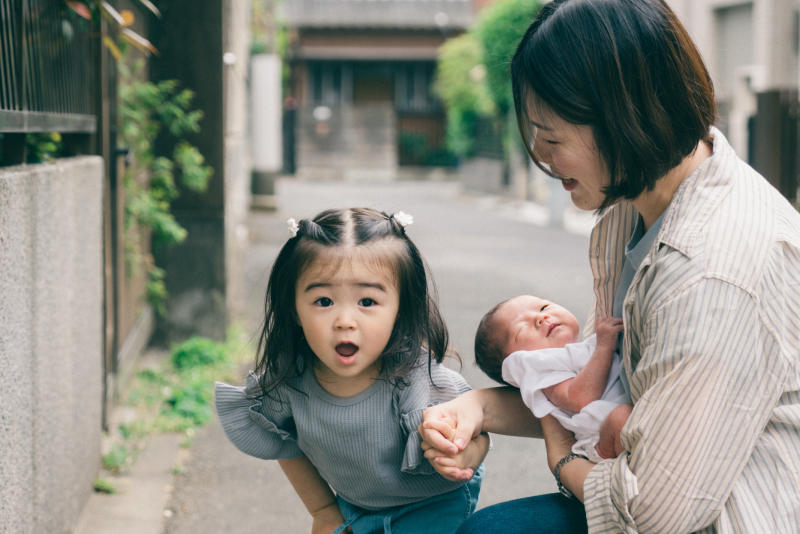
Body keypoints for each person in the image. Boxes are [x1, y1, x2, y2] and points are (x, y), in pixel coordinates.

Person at [420, 0, 800, 532]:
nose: (543, 158)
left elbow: (651, 511)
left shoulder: (713, 275)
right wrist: (481, 406)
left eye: (551, 138)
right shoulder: (641, 208)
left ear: (625, 116)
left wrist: (562, 460)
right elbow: (610, 402)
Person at [215, 207, 488, 534]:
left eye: (368, 302)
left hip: (434, 504)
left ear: (401, 310)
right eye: (324, 301)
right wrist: (323, 509)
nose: (345, 320)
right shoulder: (289, 382)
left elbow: (479, 431)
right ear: (294, 309)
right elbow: (283, 443)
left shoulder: (419, 381)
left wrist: (464, 455)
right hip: (355, 506)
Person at [474, 294, 631, 462]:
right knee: (622, 417)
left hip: (627, 417)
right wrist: (604, 347)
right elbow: (580, 398)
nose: (541, 318)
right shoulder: (540, 367)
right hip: (602, 437)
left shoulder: (585, 348)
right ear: (516, 362)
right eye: (520, 329)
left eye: (544, 308)